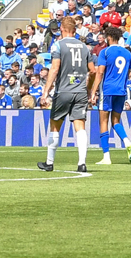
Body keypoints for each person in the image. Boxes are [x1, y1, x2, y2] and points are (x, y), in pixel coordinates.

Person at [38, 18, 97, 173]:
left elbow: (55, 68)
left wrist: (45, 91)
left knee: (55, 126)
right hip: (80, 92)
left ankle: (50, 163)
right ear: (74, 30)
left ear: (62, 29)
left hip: (63, 91)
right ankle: (82, 163)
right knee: (80, 127)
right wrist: (89, 89)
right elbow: (93, 71)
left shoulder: (58, 45)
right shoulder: (84, 47)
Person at [93, 25, 131, 165]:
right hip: (121, 91)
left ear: (109, 37)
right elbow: (128, 73)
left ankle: (106, 156)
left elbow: (99, 73)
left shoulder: (104, 52)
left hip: (107, 90)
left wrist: (93, 91)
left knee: (103, 121)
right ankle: (127, 141)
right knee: (116, 121)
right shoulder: (127, 54)